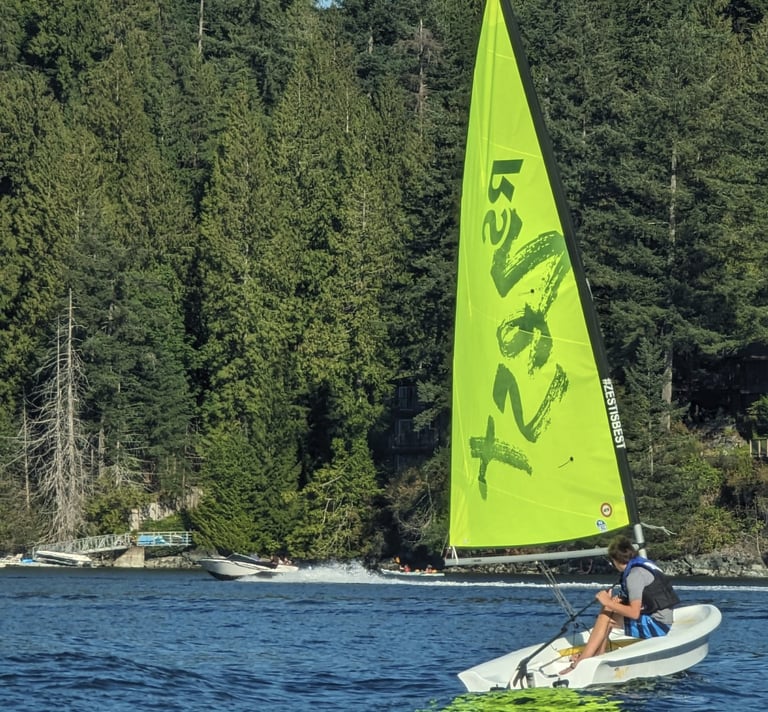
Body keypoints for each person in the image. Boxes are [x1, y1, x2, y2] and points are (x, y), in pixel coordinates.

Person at [560, 535, 680, 674]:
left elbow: (634, 613)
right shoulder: (640, 566)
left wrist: (608, 602)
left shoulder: (634, 576)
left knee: (606, 616)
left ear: (615, 561)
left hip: (658, 625)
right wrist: (613, 603)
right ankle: (598, 654)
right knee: (607, 611)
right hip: (656, 618)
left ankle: (582, 661)